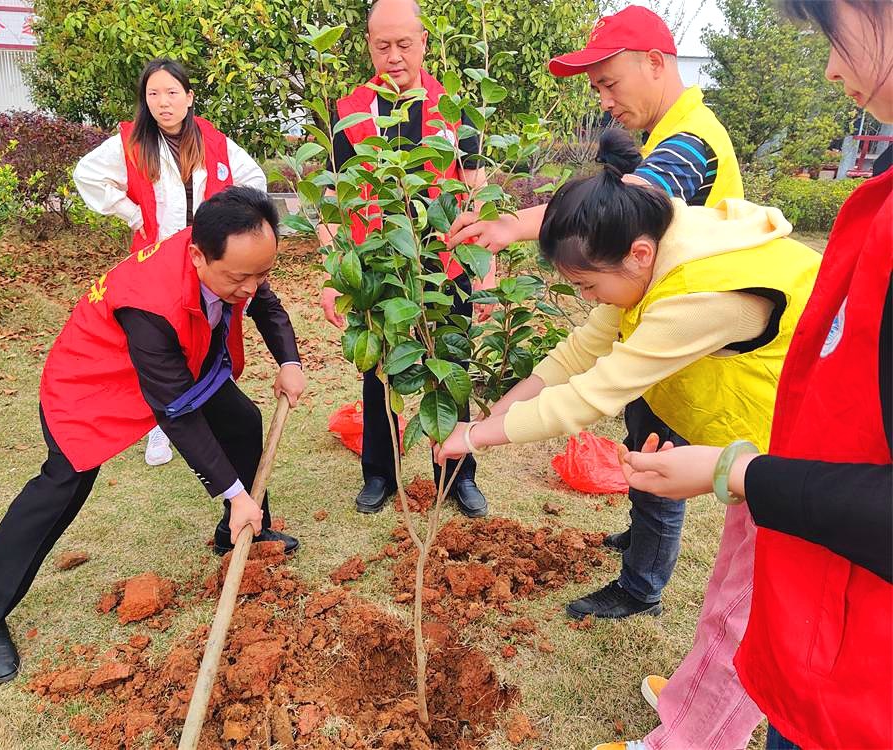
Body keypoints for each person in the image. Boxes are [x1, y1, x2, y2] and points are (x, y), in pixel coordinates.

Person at [433, 129, 820, 750]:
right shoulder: (651, 251)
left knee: (745, 617)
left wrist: (478, 437)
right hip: (766, 442)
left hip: (807, 451)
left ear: (637, 254)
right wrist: (490, 417)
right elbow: (578, 354)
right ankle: (692, 705)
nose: (587, 299)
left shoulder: (701, 293)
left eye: (587, 286)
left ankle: (690, 739)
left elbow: (591, 395)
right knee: (731, 597)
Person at [619, 2, 892, 748]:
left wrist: (741, 471)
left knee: (740, 602)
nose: (832, 67)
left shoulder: (690, 149)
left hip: (853, 636)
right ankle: (690, 701)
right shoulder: (881, 188)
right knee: (736, 597)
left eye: (836, 34)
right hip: (802, 510)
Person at [446, 3, 745, 627]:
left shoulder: (690, 141)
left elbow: (618, 211)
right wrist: (514, 401)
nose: (605, 101)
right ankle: (640, 543)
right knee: (644, 453)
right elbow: (581, 348)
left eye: (610, 83)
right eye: (597, 89)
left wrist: (514, 223)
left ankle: (641, 585)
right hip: (655, 338)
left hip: (699, 363)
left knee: (660, 465)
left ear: (656, 63)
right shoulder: (665, 137)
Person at [0, 187, 306, 685]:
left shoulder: (232, 253)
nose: (252, 287)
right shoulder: (151, 302)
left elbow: (264, 304)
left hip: (178, 359)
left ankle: (240, 532)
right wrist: (232, 491)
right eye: (240, 278)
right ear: (196, 255)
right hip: (93, 381)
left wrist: (290, 361)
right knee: (63, 486)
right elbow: (177, 412)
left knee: (241, 422)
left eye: (261, 273)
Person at [317, 0, 493, 517]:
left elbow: (476, 191)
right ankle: (380, 473)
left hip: (448, 263)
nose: (393, 56)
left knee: (450, 368)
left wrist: (485, 268)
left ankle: (457, 475)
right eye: (381, 45)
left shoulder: (455, 108)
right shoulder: (348, 112)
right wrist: (335, 275)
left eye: (404, 44)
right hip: (378, 269)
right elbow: (335, 202)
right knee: (378, 374)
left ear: (423, 41)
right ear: (369, 45)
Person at [74, 58, 267, 468]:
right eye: (154, 94)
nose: (164, 102)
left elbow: (253, 179)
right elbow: (87, 174)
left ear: (189, 97)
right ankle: (161, 424)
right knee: (163, 341)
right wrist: (132, 213)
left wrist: (226, 223)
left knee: (208, 333)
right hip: (158, 262)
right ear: (145, 100)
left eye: (172, 93)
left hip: (205, 259)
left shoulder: (211, 141)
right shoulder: (131, 141)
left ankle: (208, 409)